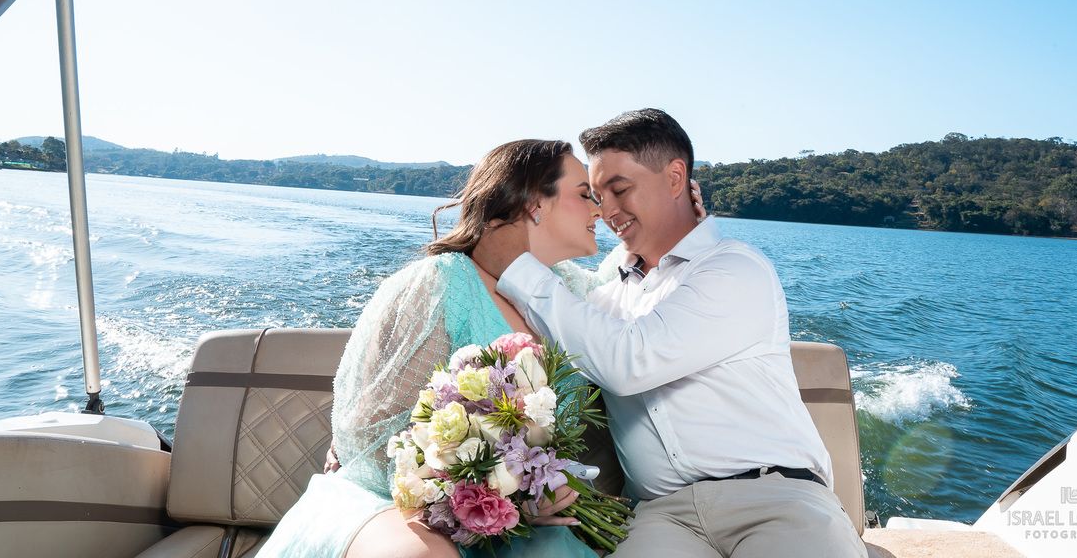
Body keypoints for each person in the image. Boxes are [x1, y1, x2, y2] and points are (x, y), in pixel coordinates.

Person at [473, 109, 867, 558]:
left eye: (620, 190)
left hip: (775, 498)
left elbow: (630, 360)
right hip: (661, 515)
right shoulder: (606, 299)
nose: (606, 213)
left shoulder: (734, 268)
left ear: (676, 177)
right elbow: (588, 320)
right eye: (597, 197)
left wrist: (515, 267)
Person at [255, 139, 617, 558]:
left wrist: (682, 217)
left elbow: (637, 278)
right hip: (394, 505)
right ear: (535, 202)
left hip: (518, 522)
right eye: (584, 194)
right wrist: (488, 494)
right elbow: (372, 442)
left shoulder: (571, 291)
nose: (599, 210)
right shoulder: (440, 282)